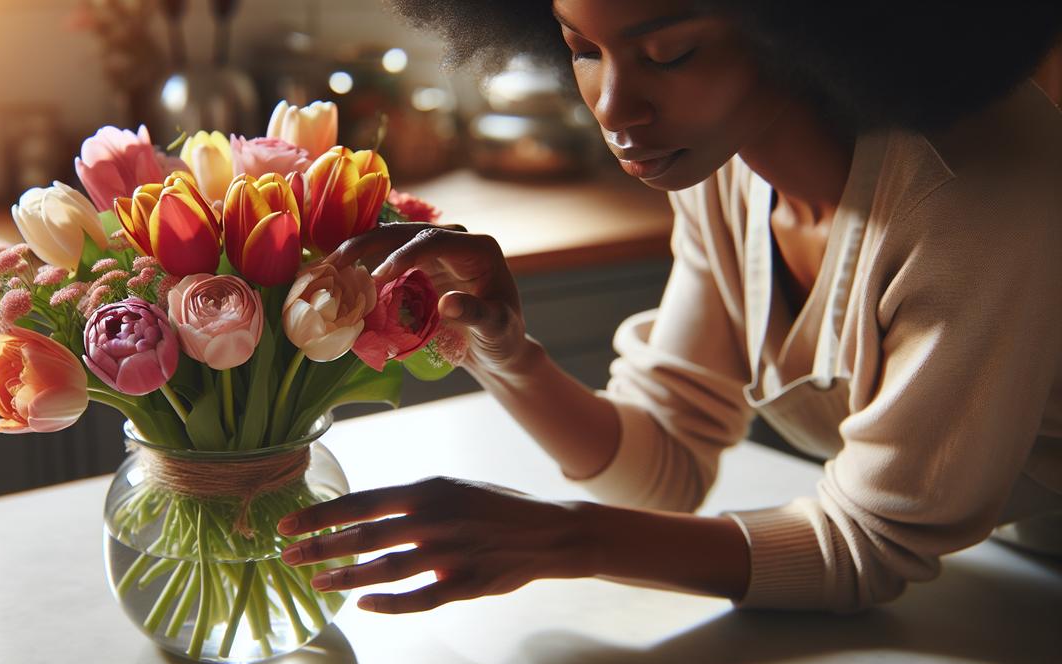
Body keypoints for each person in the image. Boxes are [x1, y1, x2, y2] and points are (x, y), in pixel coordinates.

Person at [277, 0, 1062, 613]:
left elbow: (870, 544)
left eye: (671, 54)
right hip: (995, 574)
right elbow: (665, 462)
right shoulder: (728, 163)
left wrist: (559, 537)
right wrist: (498, 348)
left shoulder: (976, 190)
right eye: (582, 48)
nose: (614, 107)